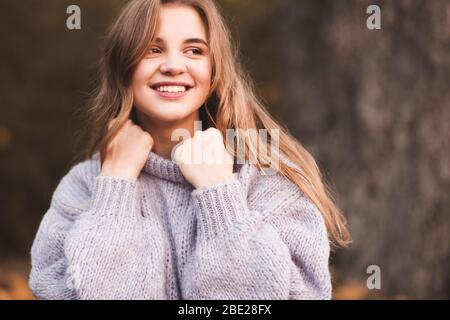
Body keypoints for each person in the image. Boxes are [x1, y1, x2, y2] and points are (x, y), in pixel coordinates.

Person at [29, 0, 350, 300]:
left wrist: (219, 195)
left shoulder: (268, 179)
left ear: (214, 71)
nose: (172, 65)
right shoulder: (84, 187)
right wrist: (115, 185)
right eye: (152, 49)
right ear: (124, 68)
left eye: (194, 50)